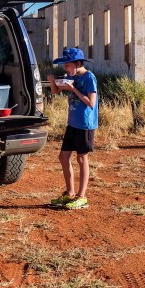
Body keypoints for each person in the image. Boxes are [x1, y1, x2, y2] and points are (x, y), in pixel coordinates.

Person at [47, 47, 98, 210]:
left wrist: (73, 89)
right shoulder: (71, 77)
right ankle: (70, 193)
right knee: (63, 157)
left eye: (67, 65)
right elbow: (55, 92)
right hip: (72, 123)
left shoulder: (89, 77)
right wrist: (52, 81)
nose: (65, 68)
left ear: (78, 63)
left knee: (82, 159)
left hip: (85, 124)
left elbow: (91, 103)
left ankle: (81, 197)